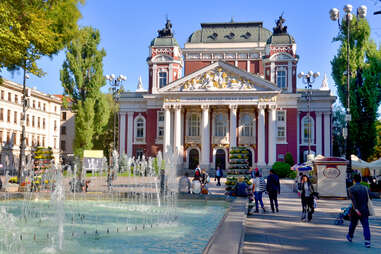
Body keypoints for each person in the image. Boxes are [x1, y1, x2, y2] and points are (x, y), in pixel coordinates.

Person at [346, 174, 371, 248]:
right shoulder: (365, 188)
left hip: (355, 210)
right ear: (360, 180)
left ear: (354, 180)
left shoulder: (351, 188)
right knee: (366, 226)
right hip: (364, 210)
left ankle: (350, 236)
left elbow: (353, 201)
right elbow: (368, 199)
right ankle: (367, 241)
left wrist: (356, 210)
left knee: (353, 224)